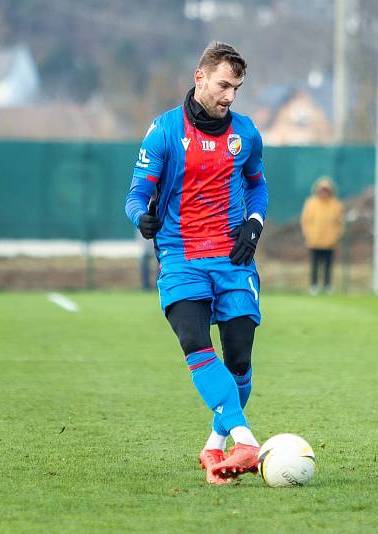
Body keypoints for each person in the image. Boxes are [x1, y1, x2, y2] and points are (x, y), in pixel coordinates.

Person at [124, 42, 268, 485]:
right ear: (199, 77)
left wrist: (254, 224)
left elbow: (258, 187)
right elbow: (135, 196)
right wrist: (142, 218)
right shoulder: (165, 131)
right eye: (224, 85)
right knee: (193, 341)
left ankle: (213, 445)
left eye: (237, 88)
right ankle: (244, 438)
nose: (230, 96)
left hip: (232, 257)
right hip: (182, 257)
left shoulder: (246, 133)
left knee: (240, 360)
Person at [300, 176, 344, 294]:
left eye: (326, 190)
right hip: (314, 240)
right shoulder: (311, 203)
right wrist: (308, 234)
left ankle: (327, 286)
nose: (324, 192)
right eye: (322, 190)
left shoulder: (336, 205)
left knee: (328, 266)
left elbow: (339, 223)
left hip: (330, 242)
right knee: (315, 265)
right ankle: (313, 286)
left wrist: (336, 236)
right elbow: (306, 221)